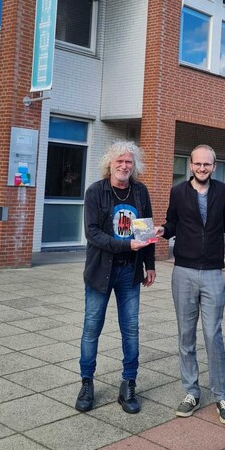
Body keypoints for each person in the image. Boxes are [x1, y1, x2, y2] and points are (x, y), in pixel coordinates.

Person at [157, 144, 225, 424]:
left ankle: (221, 395)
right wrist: (161, 231)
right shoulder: (178, 192)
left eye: (207, 165)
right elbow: (171, 224)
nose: (202, 169)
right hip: (183, 271)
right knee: (186, 336)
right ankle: (191, 392)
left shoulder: (223, 191)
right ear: (190, 164)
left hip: (213, 272)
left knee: (213, 335)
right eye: (198, 164)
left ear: (213, 166)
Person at [75, 141, 156, 415]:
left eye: (129, 162)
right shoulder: (96, 191)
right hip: (101, 271)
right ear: (110, 163)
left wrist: (150, 263)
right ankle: (87, 383)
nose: (124, 166)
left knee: (130, 329)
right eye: (120, 161)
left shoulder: (140, 191)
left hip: (130, 271)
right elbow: (92, 233)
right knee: (91, 328)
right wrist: (126, 246)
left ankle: (129, 383)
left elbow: (146, 229)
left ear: (134, 167)